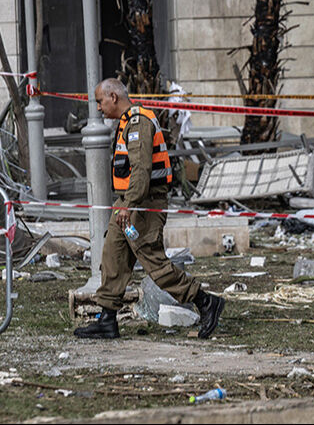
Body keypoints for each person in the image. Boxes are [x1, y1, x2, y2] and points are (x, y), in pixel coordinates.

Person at [74, 78, 225, 339]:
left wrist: (129, 206)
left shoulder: (138, 122)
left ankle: (205, 301)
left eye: (100, 101)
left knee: (154, 262)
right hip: (127, 202)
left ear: (113, 96)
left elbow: (141, 171)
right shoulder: (126, 122)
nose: (98, 108)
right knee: (113, 257)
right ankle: (107, 319)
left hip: (142, 204)